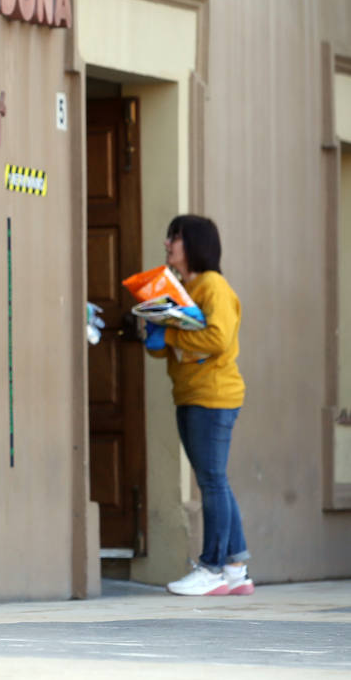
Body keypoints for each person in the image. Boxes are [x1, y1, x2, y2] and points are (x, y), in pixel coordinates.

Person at [143, 215, 252, 596]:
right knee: (215, 480)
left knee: (211, 481)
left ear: (195, 245)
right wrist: (155, 328)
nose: (168, 243)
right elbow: (174, 348)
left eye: (176, 237)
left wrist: (169, 331)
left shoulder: (213, 286)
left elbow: (218, 338)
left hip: (214, 396)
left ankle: (212, 569)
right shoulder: (183, 288)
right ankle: (236, 567)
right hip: (191, 394)